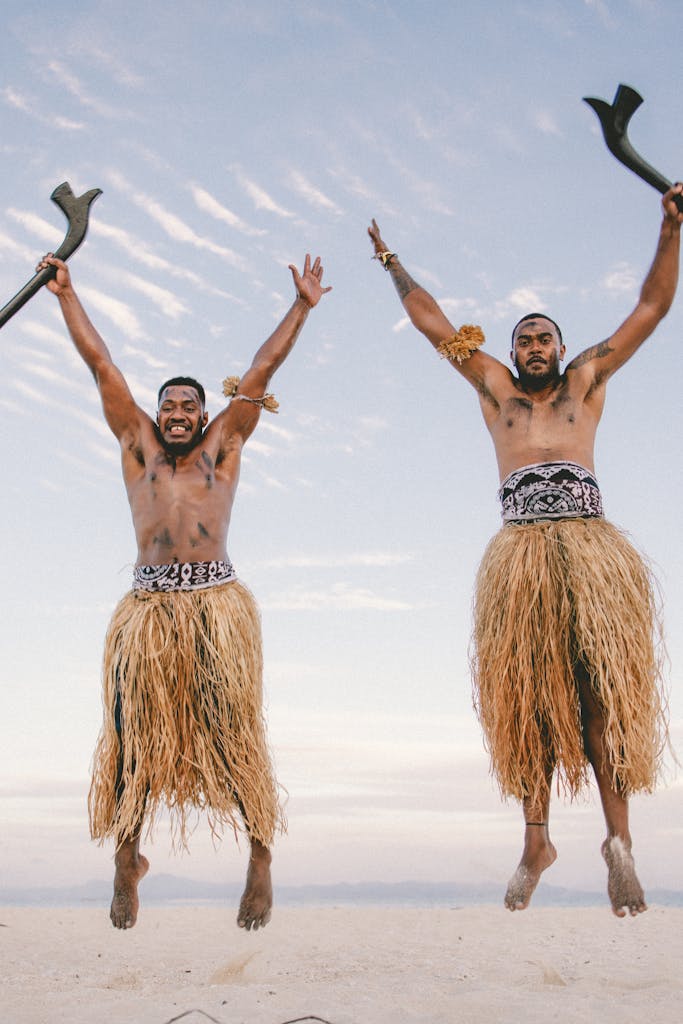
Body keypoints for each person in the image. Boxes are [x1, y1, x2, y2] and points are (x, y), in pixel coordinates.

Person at [367, 183, 682, 917]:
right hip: (519, 560)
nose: (534, 347)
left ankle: (619, 842)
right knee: (529, 702)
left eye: (544, 337)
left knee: (601, 693)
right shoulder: (494, 389)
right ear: (509, 350)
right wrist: (391, 263)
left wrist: (669, 229)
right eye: (524, 339)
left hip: (589, 551)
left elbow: (650, 309)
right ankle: (535, 840)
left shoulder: (586, 382)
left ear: (562, 347)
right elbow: (429, 322)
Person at [39, 251, 331, 931]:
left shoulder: (221, 449)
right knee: (131, 737)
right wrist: (66, 294)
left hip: (216, 609)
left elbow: (260, 371)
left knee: (235, 732)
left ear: (203, 415)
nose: (175, 414)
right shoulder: (136, 445)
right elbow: (102, 366)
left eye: (187, 407)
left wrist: (302, 307)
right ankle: (126, 859)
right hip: (146, 613)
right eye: (167, 404)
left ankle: (260, 858)